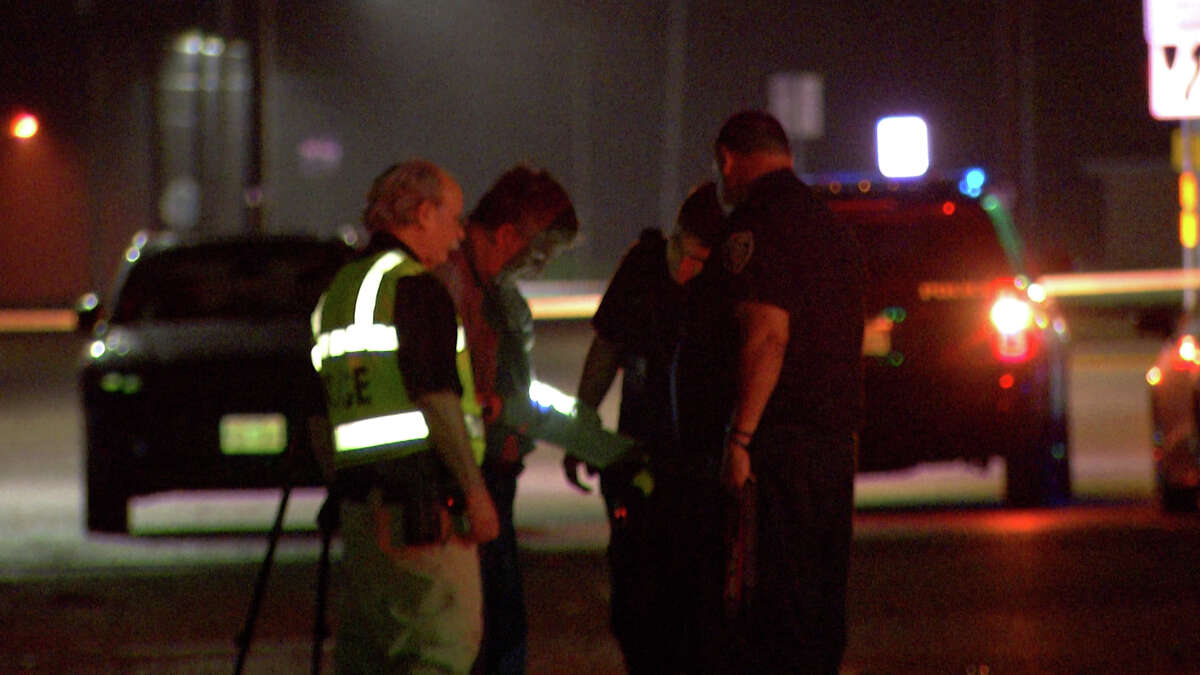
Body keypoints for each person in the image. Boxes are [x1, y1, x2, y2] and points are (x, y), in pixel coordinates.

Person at [310, 160, 500, 674]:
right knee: (441, 650)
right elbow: (436, 400)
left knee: (370, 657)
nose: (460, 235)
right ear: (422, 213)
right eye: (454, 218)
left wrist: (344, 485)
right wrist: (477, 494)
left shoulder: (337, 292)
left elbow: (318, 411)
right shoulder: (415, 287)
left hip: (361, 512)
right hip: (422, 516)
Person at [706, 110, 866, 673]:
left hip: (780, 447)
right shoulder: (829, 224)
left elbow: (766, 336)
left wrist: (740, 437)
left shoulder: (756, 225)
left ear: (728, 159)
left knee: (776, 608)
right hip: (832, 445)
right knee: (822, 605)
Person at [433, 165, 582, 675]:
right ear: (506, 235)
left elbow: (514, 389)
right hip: (469, 479)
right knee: (491, 628)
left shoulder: (493, 290)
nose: (537, 267)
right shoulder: (450, 284)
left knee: (498, 621)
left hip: (491, 472)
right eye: (538, 254)